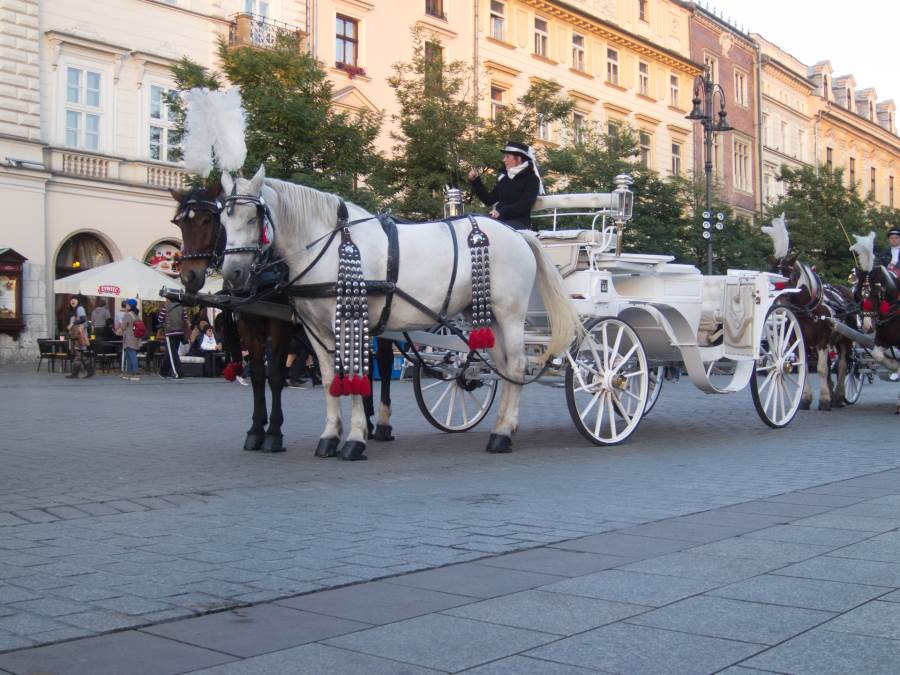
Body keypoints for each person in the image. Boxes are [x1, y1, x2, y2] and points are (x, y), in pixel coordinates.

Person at [467, 141, 544, 230]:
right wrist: (476, 181)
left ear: (518, 159)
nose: (504, 160)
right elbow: (488, 200)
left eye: (507, 157)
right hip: (500, 220)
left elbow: (525, 204)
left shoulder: (531, 179)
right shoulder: (505, 179)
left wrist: (500, 212)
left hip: (519, 223)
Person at [158, 298, 189, 379]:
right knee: (171, 353)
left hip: (170, 332)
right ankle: (163, 372)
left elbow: (160, 319)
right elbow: (185, 319)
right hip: (180, 332)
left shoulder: (165, 307)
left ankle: (178, 373)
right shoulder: (182, 307)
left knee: (173, 354)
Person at [65, 296, 94, 379]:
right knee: (80, 354)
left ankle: (75, 373)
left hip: (80, 335)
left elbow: (84, 319)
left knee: (78, 354)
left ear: (78, 301)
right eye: (71, 300)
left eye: (74, 299)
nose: (72, 301)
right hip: (76, 335)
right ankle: (90, 371)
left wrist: (72, 324)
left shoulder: (80, 308)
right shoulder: (74, 310)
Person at [117, 298, 141, 381]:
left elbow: (123, 326)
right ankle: (129, 373)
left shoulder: (127, 315)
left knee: (131, 355)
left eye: (127, 304)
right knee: (128, 355)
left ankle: (135, 373)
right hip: (135, 337)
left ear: (130, 306)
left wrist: (119, 330)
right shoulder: (136, 314)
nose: (126, 306)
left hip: (129, 337)